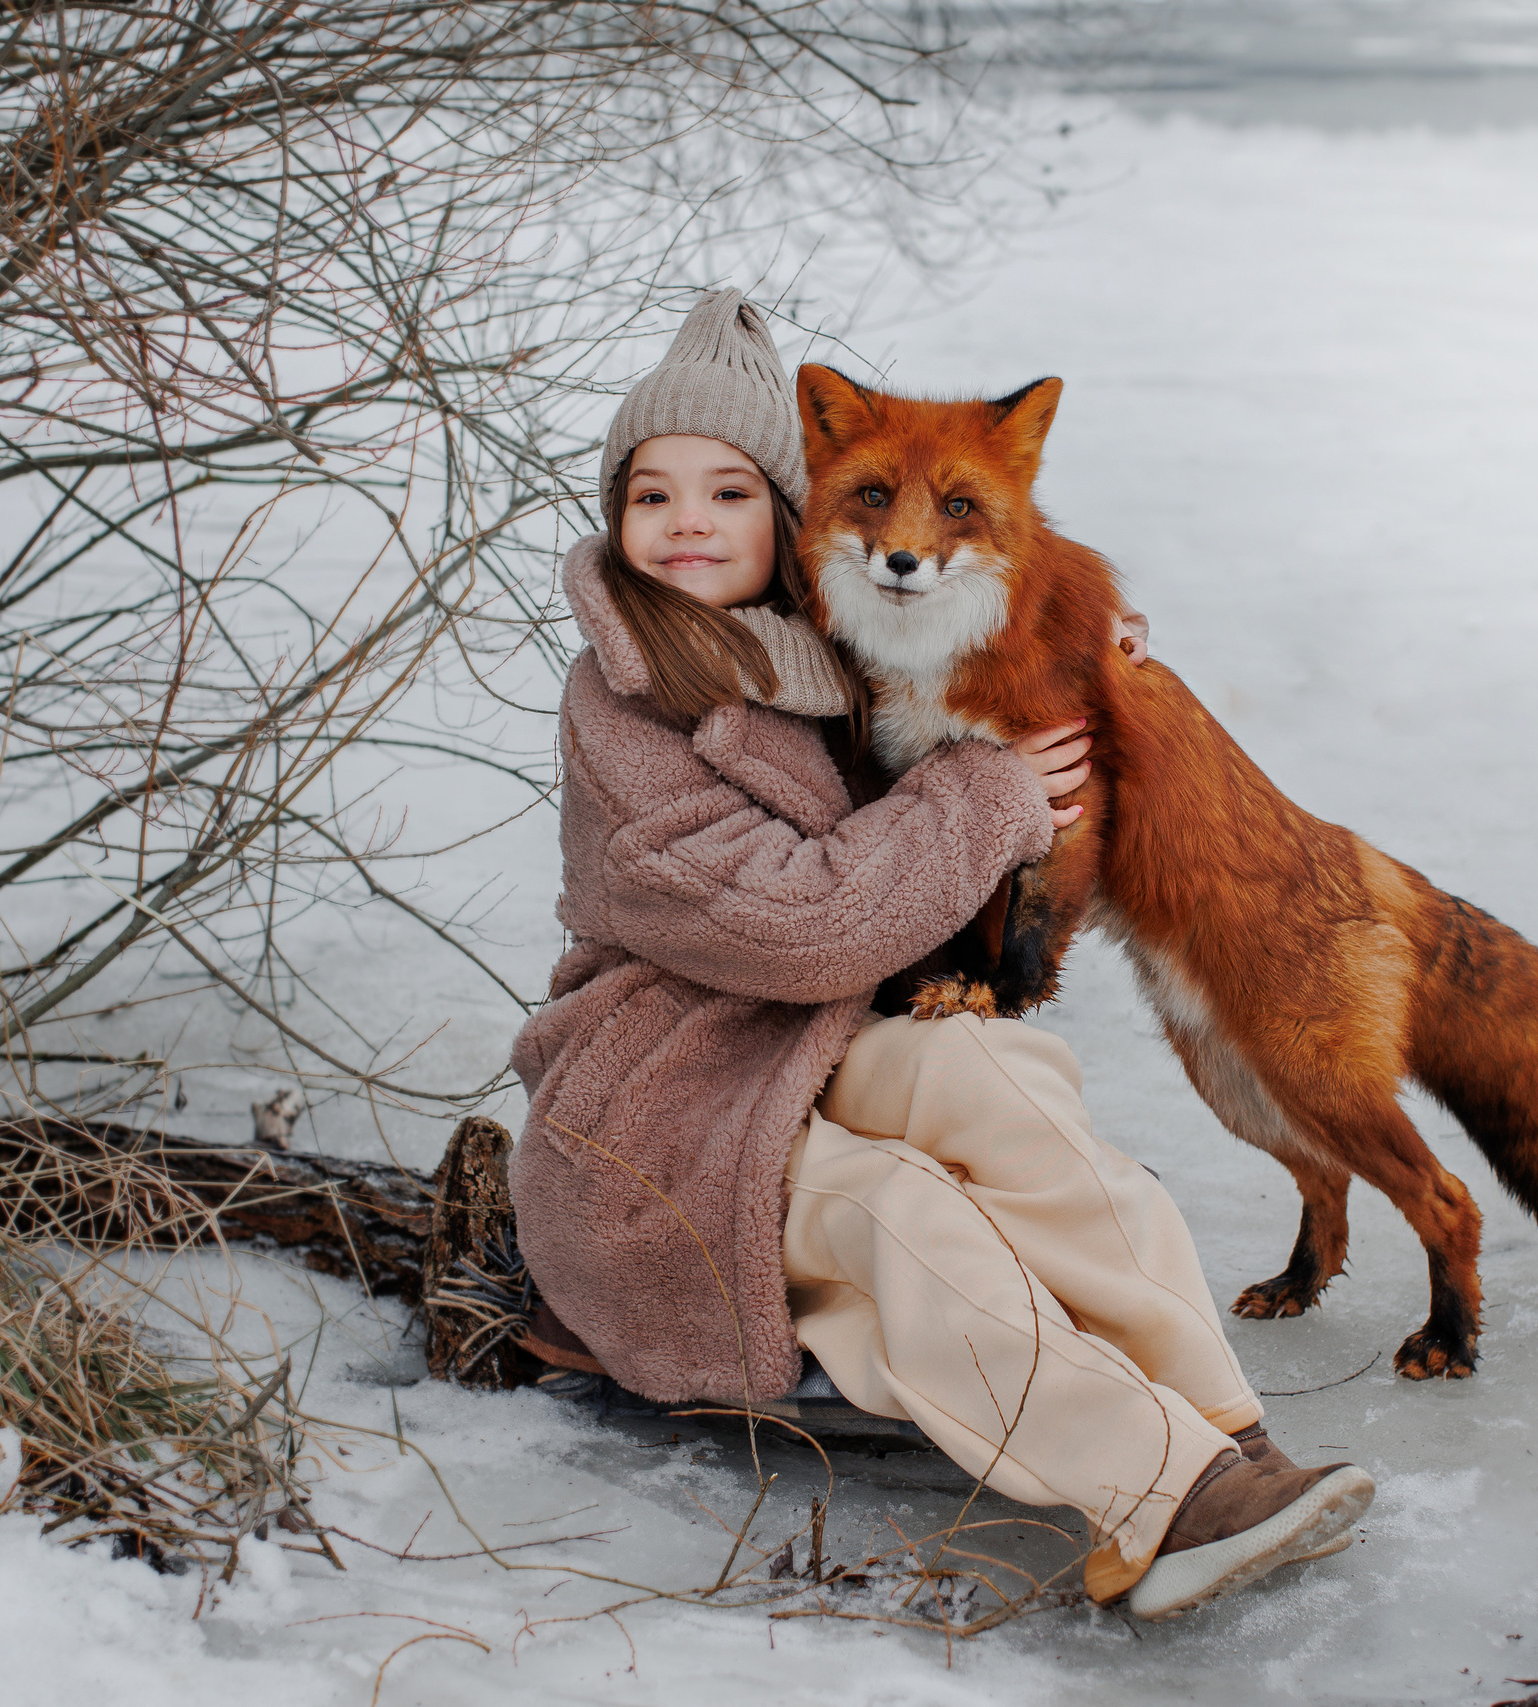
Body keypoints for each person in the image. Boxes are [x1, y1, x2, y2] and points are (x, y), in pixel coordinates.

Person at [508, 291, 1374, 1620]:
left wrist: (1095, 634)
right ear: (615, 522)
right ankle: (1157, 1501)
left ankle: (1224, 1436)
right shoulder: (621, 707)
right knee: (893, 1219)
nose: (687, 522)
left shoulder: (825, 648)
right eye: (651, 495)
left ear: (792, 521)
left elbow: (982, 587)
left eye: (730, 493)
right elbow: (799, 929)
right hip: (655, 1118)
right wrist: (992, 796)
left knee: (1002, 1081)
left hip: (797, 1059)